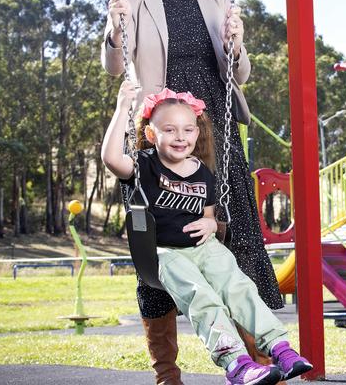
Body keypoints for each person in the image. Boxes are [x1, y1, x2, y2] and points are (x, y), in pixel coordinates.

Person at [101, 0, 283, 384]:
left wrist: (238, 43)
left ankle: (261, 360)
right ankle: (168, 372)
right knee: (160, 239)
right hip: (161, 132)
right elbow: (116, 67)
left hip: (216, 129)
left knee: (237, 238)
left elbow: (239, 73)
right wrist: (111, 24)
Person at [102, 84, 312, 384]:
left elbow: (209, 216)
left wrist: (212, 225)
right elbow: (111, 159)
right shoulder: (143, 165)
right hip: (165, 253)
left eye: (188, 130)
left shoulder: (202, 172)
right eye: (170, 130)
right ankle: (236, 363)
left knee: (240, 287)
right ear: (151, 135)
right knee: (202, 297)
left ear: (196, 134)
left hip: (205, 247)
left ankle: (280, 347)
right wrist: (123, 106)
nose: (180, 137)